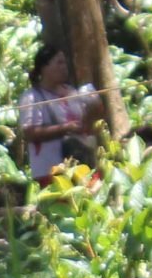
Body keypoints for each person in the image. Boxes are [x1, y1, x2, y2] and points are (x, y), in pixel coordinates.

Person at [16, 48, 104, 181]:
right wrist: (65, 128)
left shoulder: (72, 92)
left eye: (65, 63)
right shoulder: (32, 97)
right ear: (44, 68)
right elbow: (30, 133)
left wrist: (94, 110)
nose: (65, 67)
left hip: (82, 167)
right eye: (59, 63)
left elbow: (86, 127)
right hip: (51, 171)